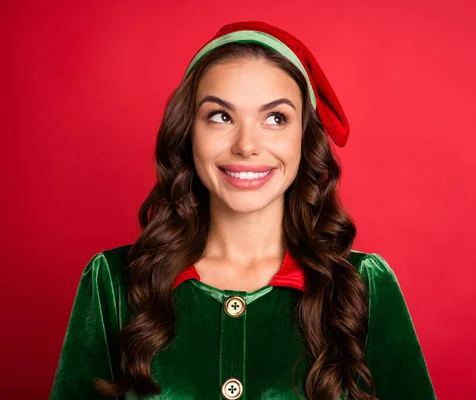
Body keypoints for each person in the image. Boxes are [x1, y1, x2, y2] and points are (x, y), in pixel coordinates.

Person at [50, 21, 437, 400]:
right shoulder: (112, 283)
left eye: (275, 118)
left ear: (305, 138)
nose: (246, 145)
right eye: (220, 116)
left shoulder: (364, 285)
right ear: (188, 132)